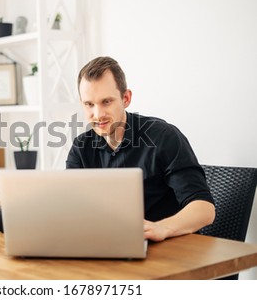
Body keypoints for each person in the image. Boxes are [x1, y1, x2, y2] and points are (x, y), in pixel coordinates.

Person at [66, 56, 215, 242]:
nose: (98, 115)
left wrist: (162, 228)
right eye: (89, 104)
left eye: (106, 102)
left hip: (170, 248)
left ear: (126, 98)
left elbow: (204, 209)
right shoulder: (81, 147)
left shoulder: (163, 137)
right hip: (111, 245)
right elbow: (73, 208)